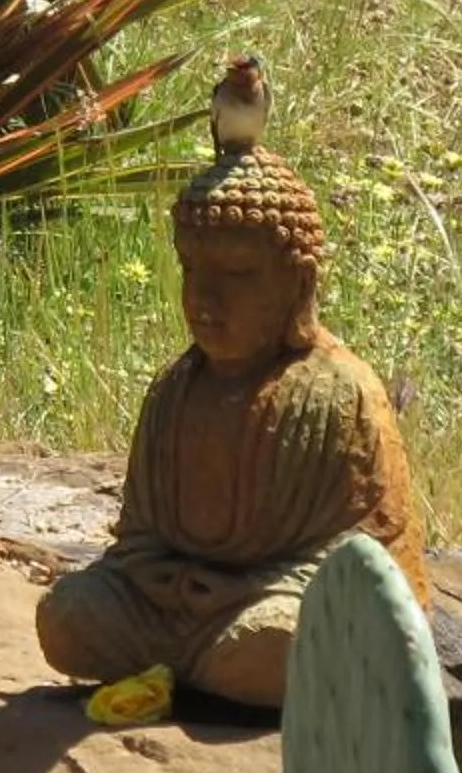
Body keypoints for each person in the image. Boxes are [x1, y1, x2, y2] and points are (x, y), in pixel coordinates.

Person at [33, 74, 431, 709]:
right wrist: (160, 578)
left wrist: (244, 590)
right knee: (68, 618)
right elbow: (138, 538)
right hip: (174, 609)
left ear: (297, 282)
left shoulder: (338, 392)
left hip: (277, 605)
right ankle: (205, 668)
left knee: (276, 643)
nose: (204, 299)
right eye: (193, 270)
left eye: (238, 275)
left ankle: (217, 667)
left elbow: (364, 559)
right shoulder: (175, 390)